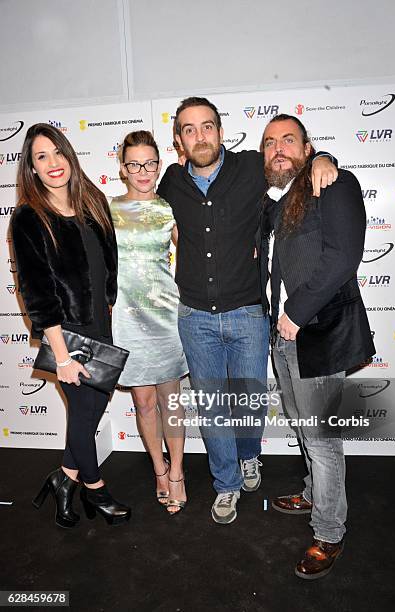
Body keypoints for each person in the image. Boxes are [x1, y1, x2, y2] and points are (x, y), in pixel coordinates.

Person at [157, 96, 338, 524]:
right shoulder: (170, 183)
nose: (199, 136)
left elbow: (288, 160)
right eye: (189, 129)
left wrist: (325, 157)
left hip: (247, 314)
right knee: (214, 404)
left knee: (251, 401)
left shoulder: (250, 168)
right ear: (179, 139)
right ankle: (226, 484)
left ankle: (249, 454)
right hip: (195, 315)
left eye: (207, 126)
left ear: (220, 131)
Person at [259, 114, 375, 578]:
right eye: (269, 143)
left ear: (308, 148)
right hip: (282, 334)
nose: (278, 149)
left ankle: (328, 531)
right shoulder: (276, 203)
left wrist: (296, 313)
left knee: (323, 440)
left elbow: (344, 256)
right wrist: (278, 320)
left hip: (317, 332)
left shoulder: (334, 183)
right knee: (304, 428)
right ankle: (312, 492)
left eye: (289, 140)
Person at [11, 123, 131, 528]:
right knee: (83, 413)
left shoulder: (92, 202)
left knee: (89, 412)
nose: (52, 163)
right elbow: (37, 293)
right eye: (40, 157)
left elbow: (108, 266)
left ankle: (64, 479)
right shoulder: (30, 218)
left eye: (57, 152)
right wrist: (61, 357)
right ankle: (94, 490)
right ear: (31, 169)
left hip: (102, 327)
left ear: (68, 155)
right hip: (69, 337)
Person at [110, 130, 188, 514]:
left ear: (160, 164)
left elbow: (197, 251)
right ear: (123, 168)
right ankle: (159, 469)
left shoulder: (170, 208)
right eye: (135, 164)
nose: (143, 171)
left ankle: (178, 474)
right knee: (143, 403)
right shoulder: (108, 210)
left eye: (150, 163)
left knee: (170, 401)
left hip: (165, 315)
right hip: (126, 317)